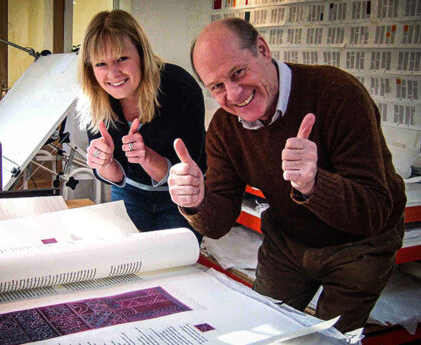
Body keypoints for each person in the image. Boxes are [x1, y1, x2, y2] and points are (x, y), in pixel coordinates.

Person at [168, 18, 406, 333]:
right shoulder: (225, 127)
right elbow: (218, 222)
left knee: (330, 339)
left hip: (359, 244)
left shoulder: (338, 94)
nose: (235, 93)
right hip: (289, 240)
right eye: (217, 86)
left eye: (238, 73)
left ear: (263, 50)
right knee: (261, 331)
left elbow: (374, 212)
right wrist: (196, 202)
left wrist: (315, 184)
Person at [77, 10, 206, 243]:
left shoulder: (180, 88)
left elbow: (186, 171)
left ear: (141, 54)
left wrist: (146, 157)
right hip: (130, 193)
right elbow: (116, 177)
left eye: (121, 59)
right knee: (127, 264)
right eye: (101, 64)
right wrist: (104, 163)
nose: (113, 73)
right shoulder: (94, 99)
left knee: (175, 267)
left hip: (180, 195)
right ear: (90, 68)